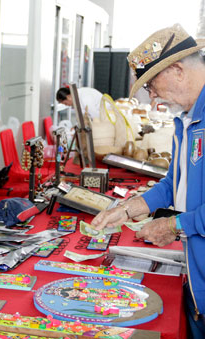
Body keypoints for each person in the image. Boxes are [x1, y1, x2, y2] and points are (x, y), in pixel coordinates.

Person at [91, 23, 205, 338]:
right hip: (197, 278)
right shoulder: (187, 117)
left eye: (152, 85)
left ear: (179, 70)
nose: (152, 96)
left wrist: (174, 226)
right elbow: (173, 184)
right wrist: (128, 208)